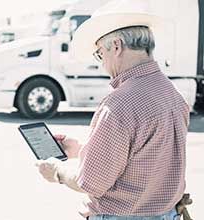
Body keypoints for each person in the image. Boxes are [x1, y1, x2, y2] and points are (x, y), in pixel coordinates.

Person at [35, 0, 190, 219]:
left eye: (99, 54)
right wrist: (81, 150)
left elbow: (91, 183)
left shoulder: (119, 105)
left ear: (116, 46)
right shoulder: (171, 93)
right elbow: (145, 159)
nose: (102, 63)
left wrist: (56, 171)